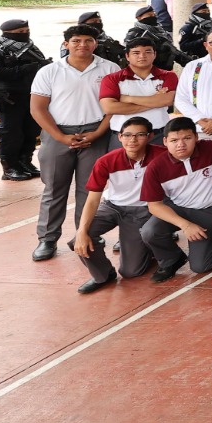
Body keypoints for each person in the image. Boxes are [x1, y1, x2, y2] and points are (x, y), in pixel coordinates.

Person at [27, 25, 114, 261]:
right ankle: (47, 239)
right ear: (66, 44)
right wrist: (60, 137)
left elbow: (114, 107)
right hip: (59, 134)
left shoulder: (109, 69)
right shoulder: (50, 71)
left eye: (88, 40)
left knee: (90, 189)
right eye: (76, 41)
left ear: (96, 43)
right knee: (54, 189)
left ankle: (85, 234)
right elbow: (38, 108)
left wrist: (97, 134)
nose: (82, 45)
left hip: (96, 133)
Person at [140, 117, 212, 281]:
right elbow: (154, 206)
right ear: (165, 141)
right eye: (174, 140)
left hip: (210, 210)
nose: (180, 144)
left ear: (197, 138)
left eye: (187, 138)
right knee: (150, 231)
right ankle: (172, 260)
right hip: (179, 208)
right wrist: (186, 225)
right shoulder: (156, 167)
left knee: (200, 267)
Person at [72, 115, 158, 294]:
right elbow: (93, 198)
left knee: (131, 272)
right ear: (119, 137)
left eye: (139, 135)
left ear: (150, 136)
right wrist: (82, 231)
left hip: (142, 210)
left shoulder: (161, 156)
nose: (132, 140)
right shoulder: (106, 161)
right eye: (127, 135)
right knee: (78, 241)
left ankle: (147, 249)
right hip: (112, 206)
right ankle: (102, 275)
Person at [0, 18, 50, 180]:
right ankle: (10, 167)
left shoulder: (32, 49)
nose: (24, 35)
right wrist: (25, 69)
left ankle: (25, 161)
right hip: (8, 99)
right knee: (11, 133)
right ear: (7, 33)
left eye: (26, 31)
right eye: (19, 33)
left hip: (31, 96)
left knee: (30, 130)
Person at [96, 36, 177, 145]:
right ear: (127, 56)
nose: (142, 56)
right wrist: (155, 101)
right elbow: (109, 108)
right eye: (136, 53)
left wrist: (127, 98)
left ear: (155, 54)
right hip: (123, 137)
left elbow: (167, 101)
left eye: (148, 52)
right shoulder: (112, 78)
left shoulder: (168, 76)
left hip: (158, 135)